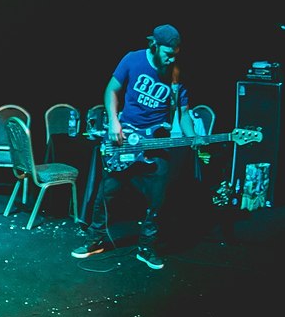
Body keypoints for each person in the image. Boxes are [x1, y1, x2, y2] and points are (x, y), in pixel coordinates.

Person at [73, 24, 203, 270]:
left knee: (157, 200)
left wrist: (193, 137)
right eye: (168, 53)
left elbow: (184, 112)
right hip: (127, 137)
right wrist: (114, 121)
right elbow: (111, 90)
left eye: (175, 54)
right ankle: (95, 240)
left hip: (156, 143)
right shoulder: (133, 59)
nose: (172, 59)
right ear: (154, 45)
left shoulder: (176, 74)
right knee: (107, 192)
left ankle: (146, 247)